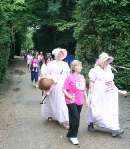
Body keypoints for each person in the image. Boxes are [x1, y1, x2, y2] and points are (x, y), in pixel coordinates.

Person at [87, 52, 127, 137]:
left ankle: (114, 128)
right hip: (98, 94)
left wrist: (119, 91)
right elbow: (91, 83)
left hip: (109, 94)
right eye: (105, 60)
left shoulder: (109, 69)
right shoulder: (94, 70)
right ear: (101, 61)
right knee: (96, 110)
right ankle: (90, 123)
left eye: (108, 61)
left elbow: (111, 82)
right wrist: (90, 95)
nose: (106, 62)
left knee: (110, 110)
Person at [41, 48, 70, 129]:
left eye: (61, 54)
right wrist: (49, 81)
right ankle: (49, 114)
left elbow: (68, 75)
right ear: (55, 54)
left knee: (61, 102)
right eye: (59, 54)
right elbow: (45, 74)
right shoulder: (51, 64)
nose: (60, 55)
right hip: (53, 84)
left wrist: (69, 85)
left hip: (62, 85)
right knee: (50, 100)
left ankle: (64, 120)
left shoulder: (65, 64)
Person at [63, 60, 87, 145]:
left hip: (80, 100)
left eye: (80, 66)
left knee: (73, 117)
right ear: (74, 67)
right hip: (71, 100)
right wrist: (69, 96)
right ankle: (73, 136)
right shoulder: (69, 77)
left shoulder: (82, 77)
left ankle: (70, 134)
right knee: (76, 117)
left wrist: (86, 99)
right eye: (78, 66)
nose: (80, 67)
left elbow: (84, 89)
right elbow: (64, 89)